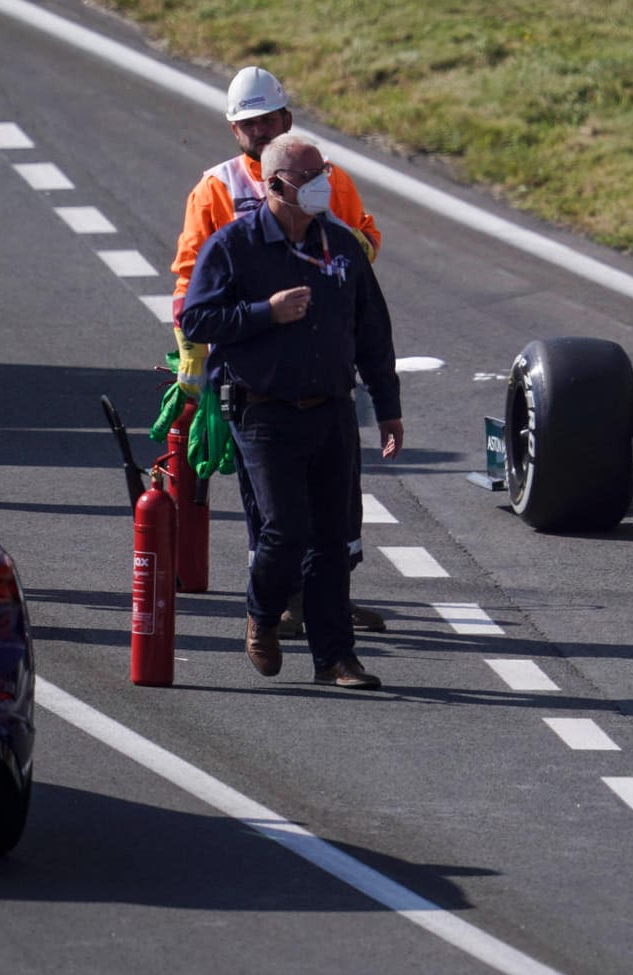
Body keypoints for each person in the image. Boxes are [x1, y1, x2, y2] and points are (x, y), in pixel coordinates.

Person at [169, 65, 386, 637]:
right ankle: (279, 605)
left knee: (338, 504)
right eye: (251, 125)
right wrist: (191, 357)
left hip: (324, 366)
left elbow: (366, 236)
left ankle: (327, 601)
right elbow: (190, 279)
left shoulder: (319, 173)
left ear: (287, 117)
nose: (263, 131)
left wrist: (349, 249)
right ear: (234, 131)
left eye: (271, 120)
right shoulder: (217, 188)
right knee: (272, 508)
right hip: (253, 374)